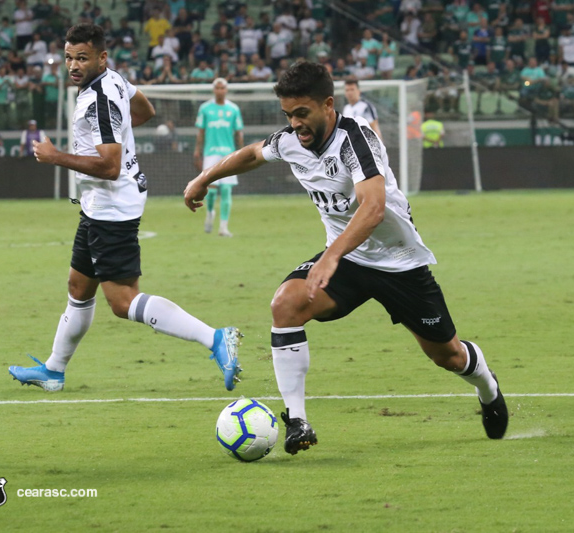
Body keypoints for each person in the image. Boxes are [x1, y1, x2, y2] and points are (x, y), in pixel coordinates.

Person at [183, 61, 509, 456]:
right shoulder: (291, 141)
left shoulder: (357, 140)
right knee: (285, 304)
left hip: (399, 263)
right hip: (349, 261)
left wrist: (330, 257)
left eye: (302, 114)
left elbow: (372, 208)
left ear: (328, 105)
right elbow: (252, 154)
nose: (295, 124)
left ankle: (487, 387)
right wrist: (204, 178)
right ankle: (297, 420)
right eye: (288, 115)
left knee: (449, 356)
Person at [7, 23, 242, 393]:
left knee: (122, 301)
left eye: (81, 58)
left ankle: (215, 337)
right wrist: (118, 133)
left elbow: (110, 165)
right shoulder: (113, 80)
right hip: (102, 204)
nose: (73, 65)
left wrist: (56, 156)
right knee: (78, 286)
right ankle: (54, 369)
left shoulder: (98, 100)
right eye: (68, 58)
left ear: (101, 57)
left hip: (112, 207)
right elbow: (145, 110)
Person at [192, 77, 244, 237]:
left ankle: (223, 227)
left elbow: (238, 132)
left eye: (222, 88)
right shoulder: (205, 108)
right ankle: (209, 213)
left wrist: (241, 153)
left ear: (226, 90)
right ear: (213, 90)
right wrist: (197, 150)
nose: (220, 91)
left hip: (229, 153)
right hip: (211, 153)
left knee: (227, 189)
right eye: (217, 88)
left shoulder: (233, 109)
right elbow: (201, 131)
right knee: (211, 189)